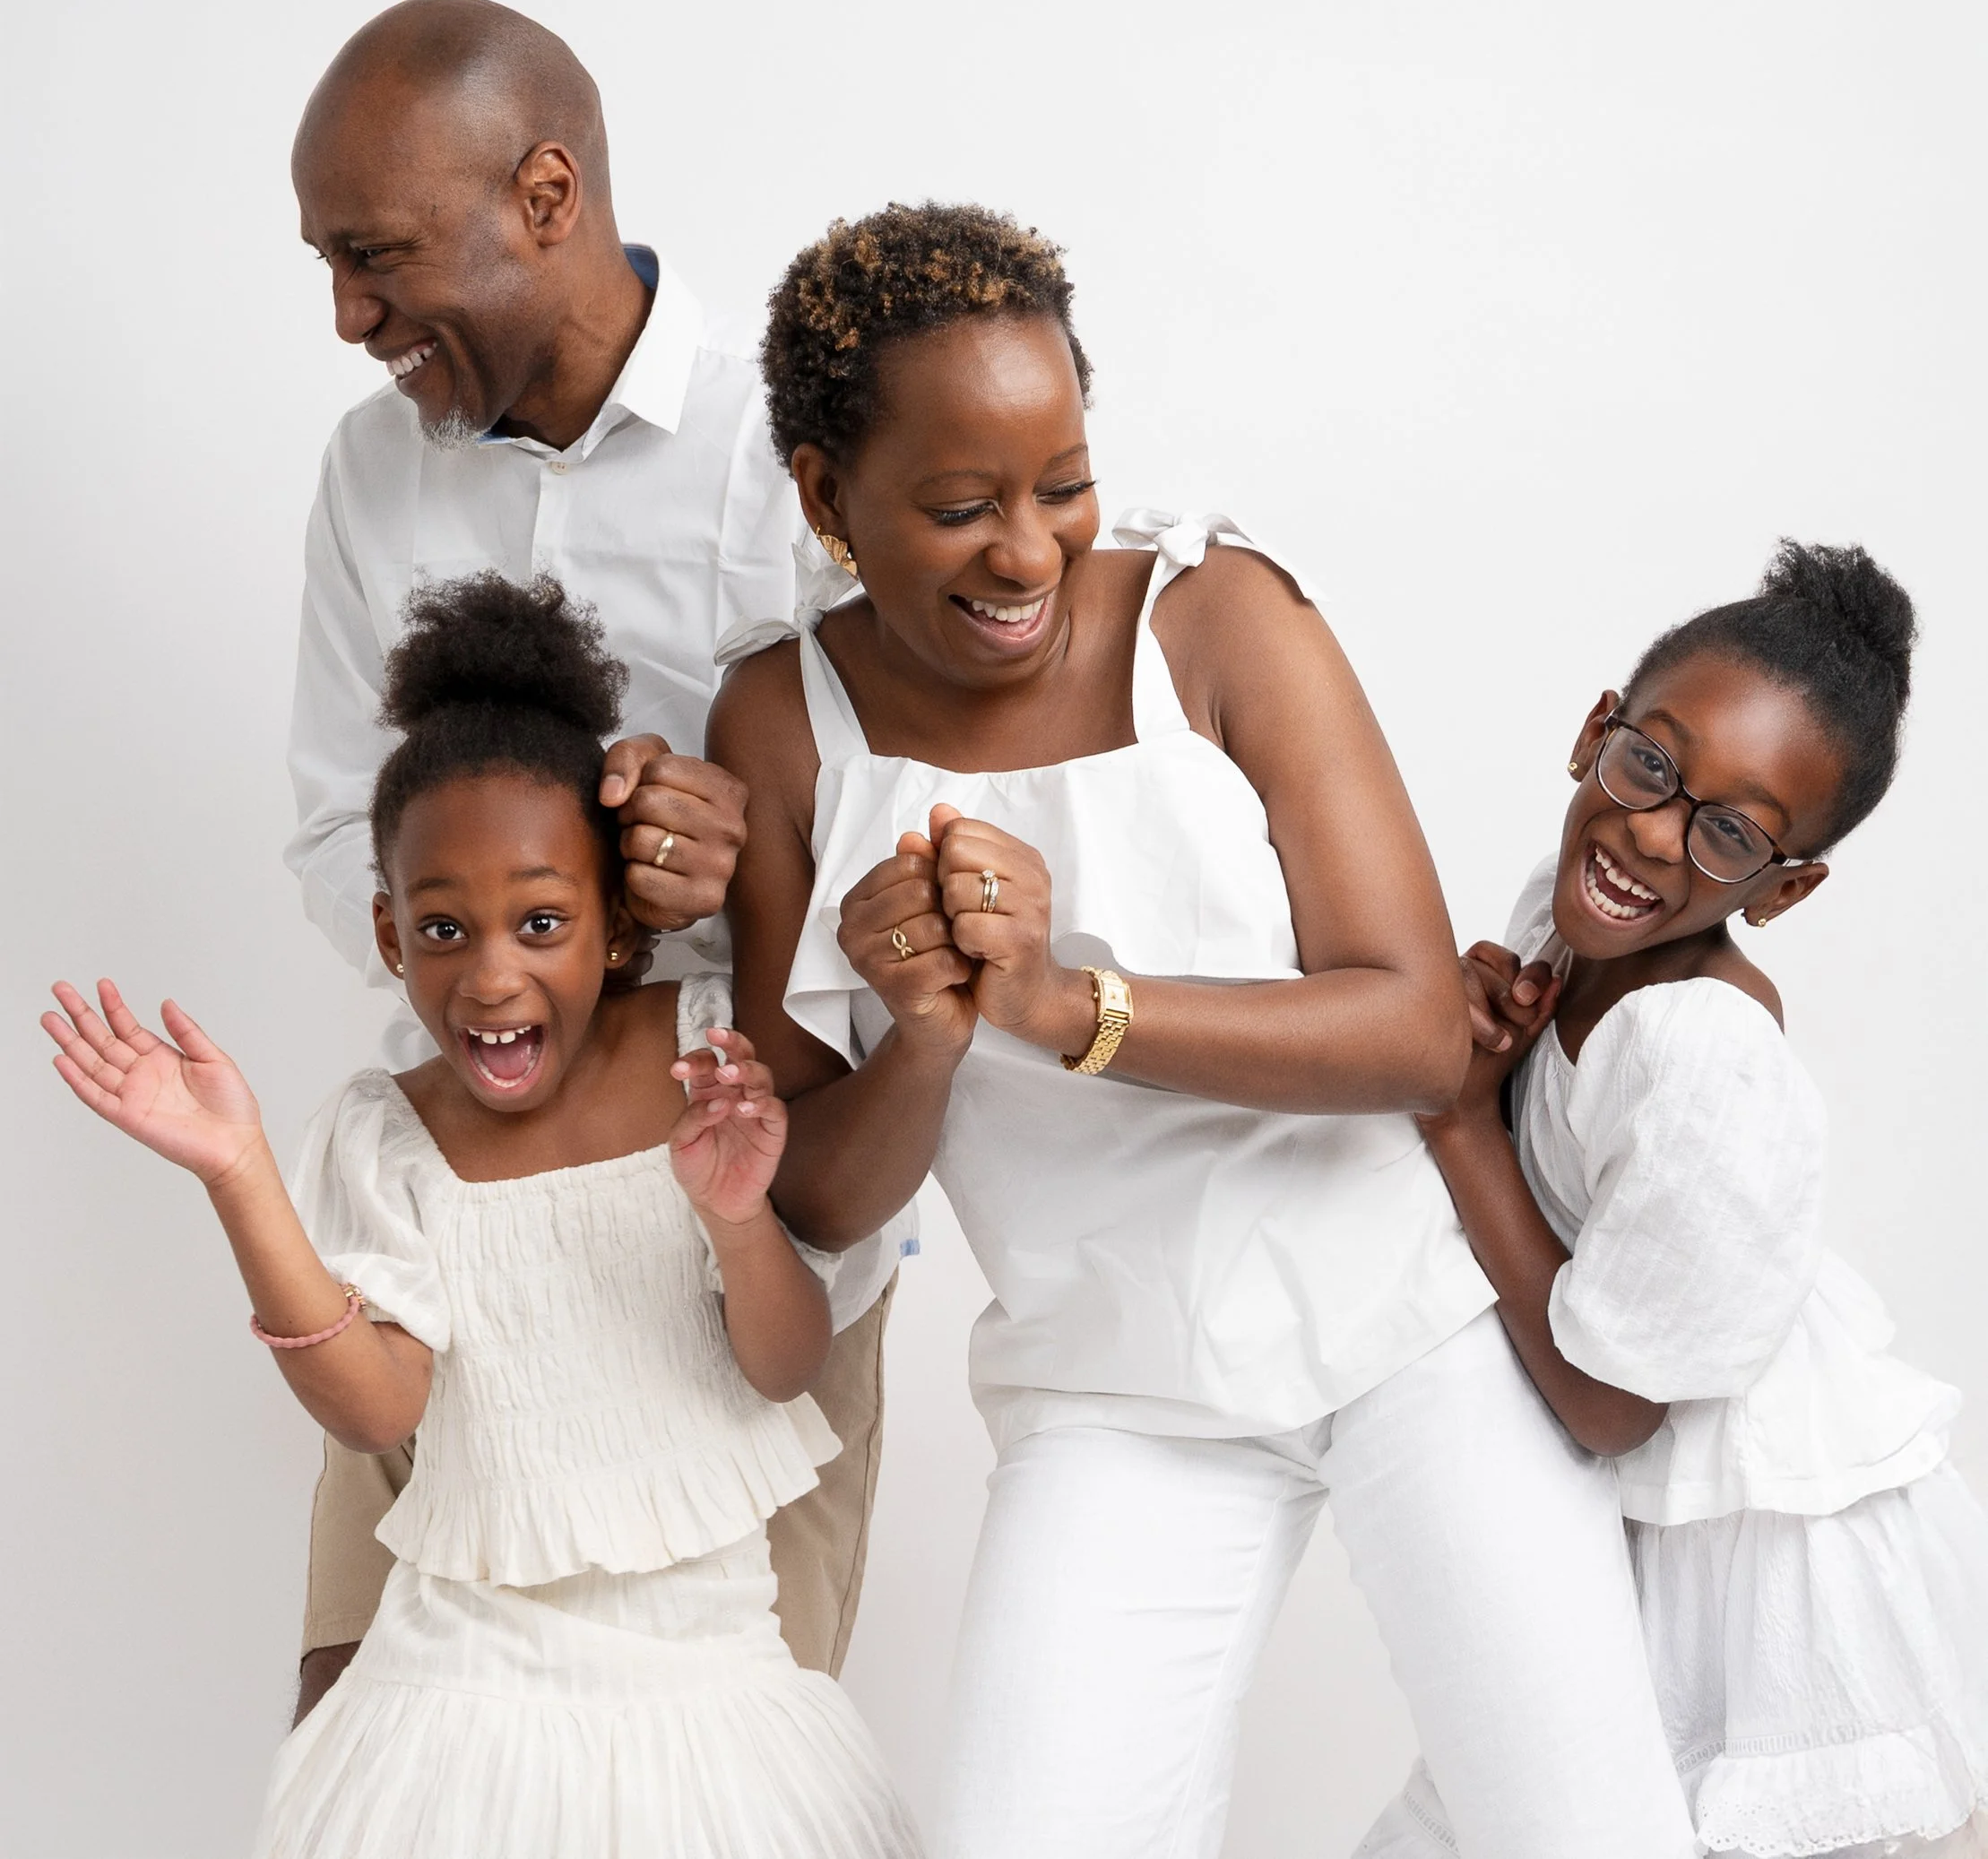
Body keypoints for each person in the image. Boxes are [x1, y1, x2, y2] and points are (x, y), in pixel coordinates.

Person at [708, 200, 1698, 1858]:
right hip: (1118, 1390)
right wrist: (933, 1033)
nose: (1025, 552)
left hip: (1400, 1328)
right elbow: (808, 1193)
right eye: (958, 507)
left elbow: (1407, 1031)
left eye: (1060, 484)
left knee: (1590, 1833)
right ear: (823, 496)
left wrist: (1058, 1002)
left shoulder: (1213, 617)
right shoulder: (779, 721)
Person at [42, 575, 922, 1859]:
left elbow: (784, 1364)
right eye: (445, 928)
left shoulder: (705, 1052)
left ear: (620, 925)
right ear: (393, 938)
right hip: (459, 1696)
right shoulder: (386, 1131)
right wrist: (239, 1171)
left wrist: (739, 1217)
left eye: (542, 921)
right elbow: (376, 1408)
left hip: (709, 1694)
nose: (493, 971)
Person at [284, 0, 905, 1711]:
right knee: (365, 1729)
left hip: (744, 1231)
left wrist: (744, 863)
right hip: (453, 1233)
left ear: (545, 197)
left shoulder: (796, 452)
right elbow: (337, 816)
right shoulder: (367, 474)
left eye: (378, 256)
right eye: (326, 264)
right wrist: (502, 937)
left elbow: (926, 835)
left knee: (726, 1757)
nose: (349, 317)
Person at [1370, 543, 1988, 1857]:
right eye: (1650, 763)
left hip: (1764, 1574)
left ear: (1786, 885)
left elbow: (1605, 1401)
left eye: (1729, 831)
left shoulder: (1700, 1051)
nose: (1652, 833)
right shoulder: (1565, 914)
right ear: (1594, 731)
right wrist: (1491, 1039)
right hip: (1639, 1529)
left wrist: (1456, 1113)